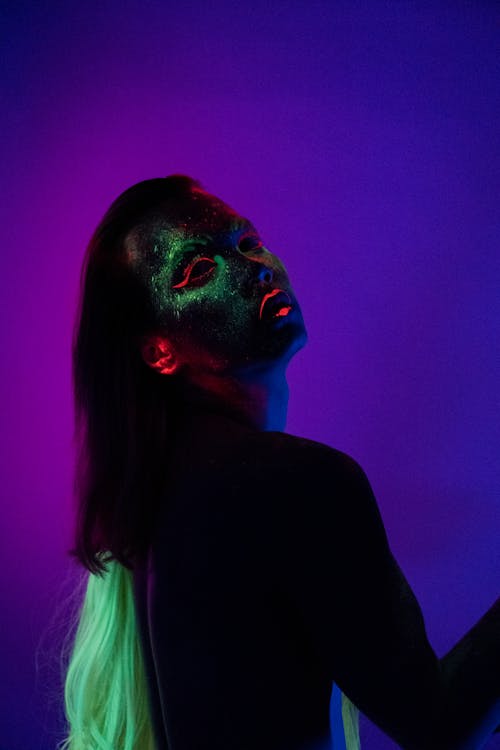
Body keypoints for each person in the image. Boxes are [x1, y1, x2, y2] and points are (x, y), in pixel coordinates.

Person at [58, 175, 500, 750]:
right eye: (197, 271)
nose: (255, 268)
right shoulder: (297, 483)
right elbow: (438, 725)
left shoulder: (159, 502)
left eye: (246, 243)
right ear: (158, 351)